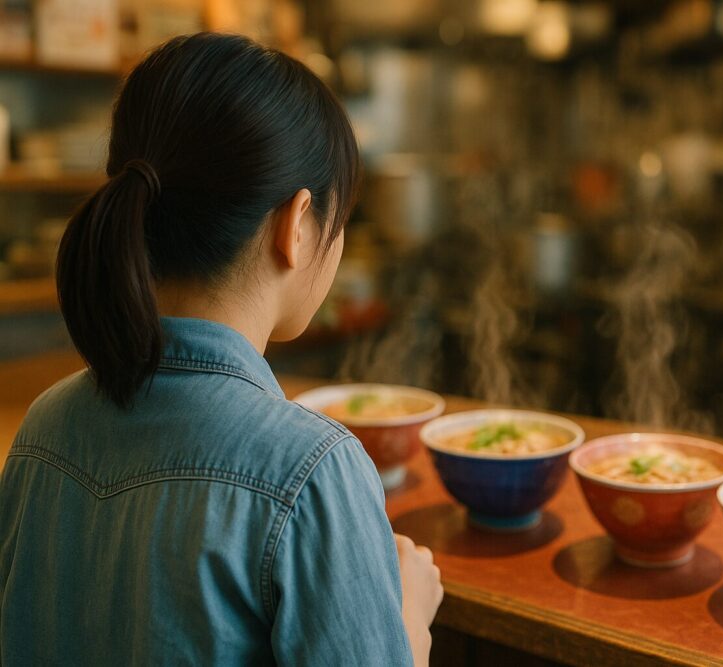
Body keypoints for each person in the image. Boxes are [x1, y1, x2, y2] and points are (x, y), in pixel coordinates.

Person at [0, 33, 442, 665]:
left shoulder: (43, 429)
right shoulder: (313, 471)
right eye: (341, 222)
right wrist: (409, 622)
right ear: (296, 225)